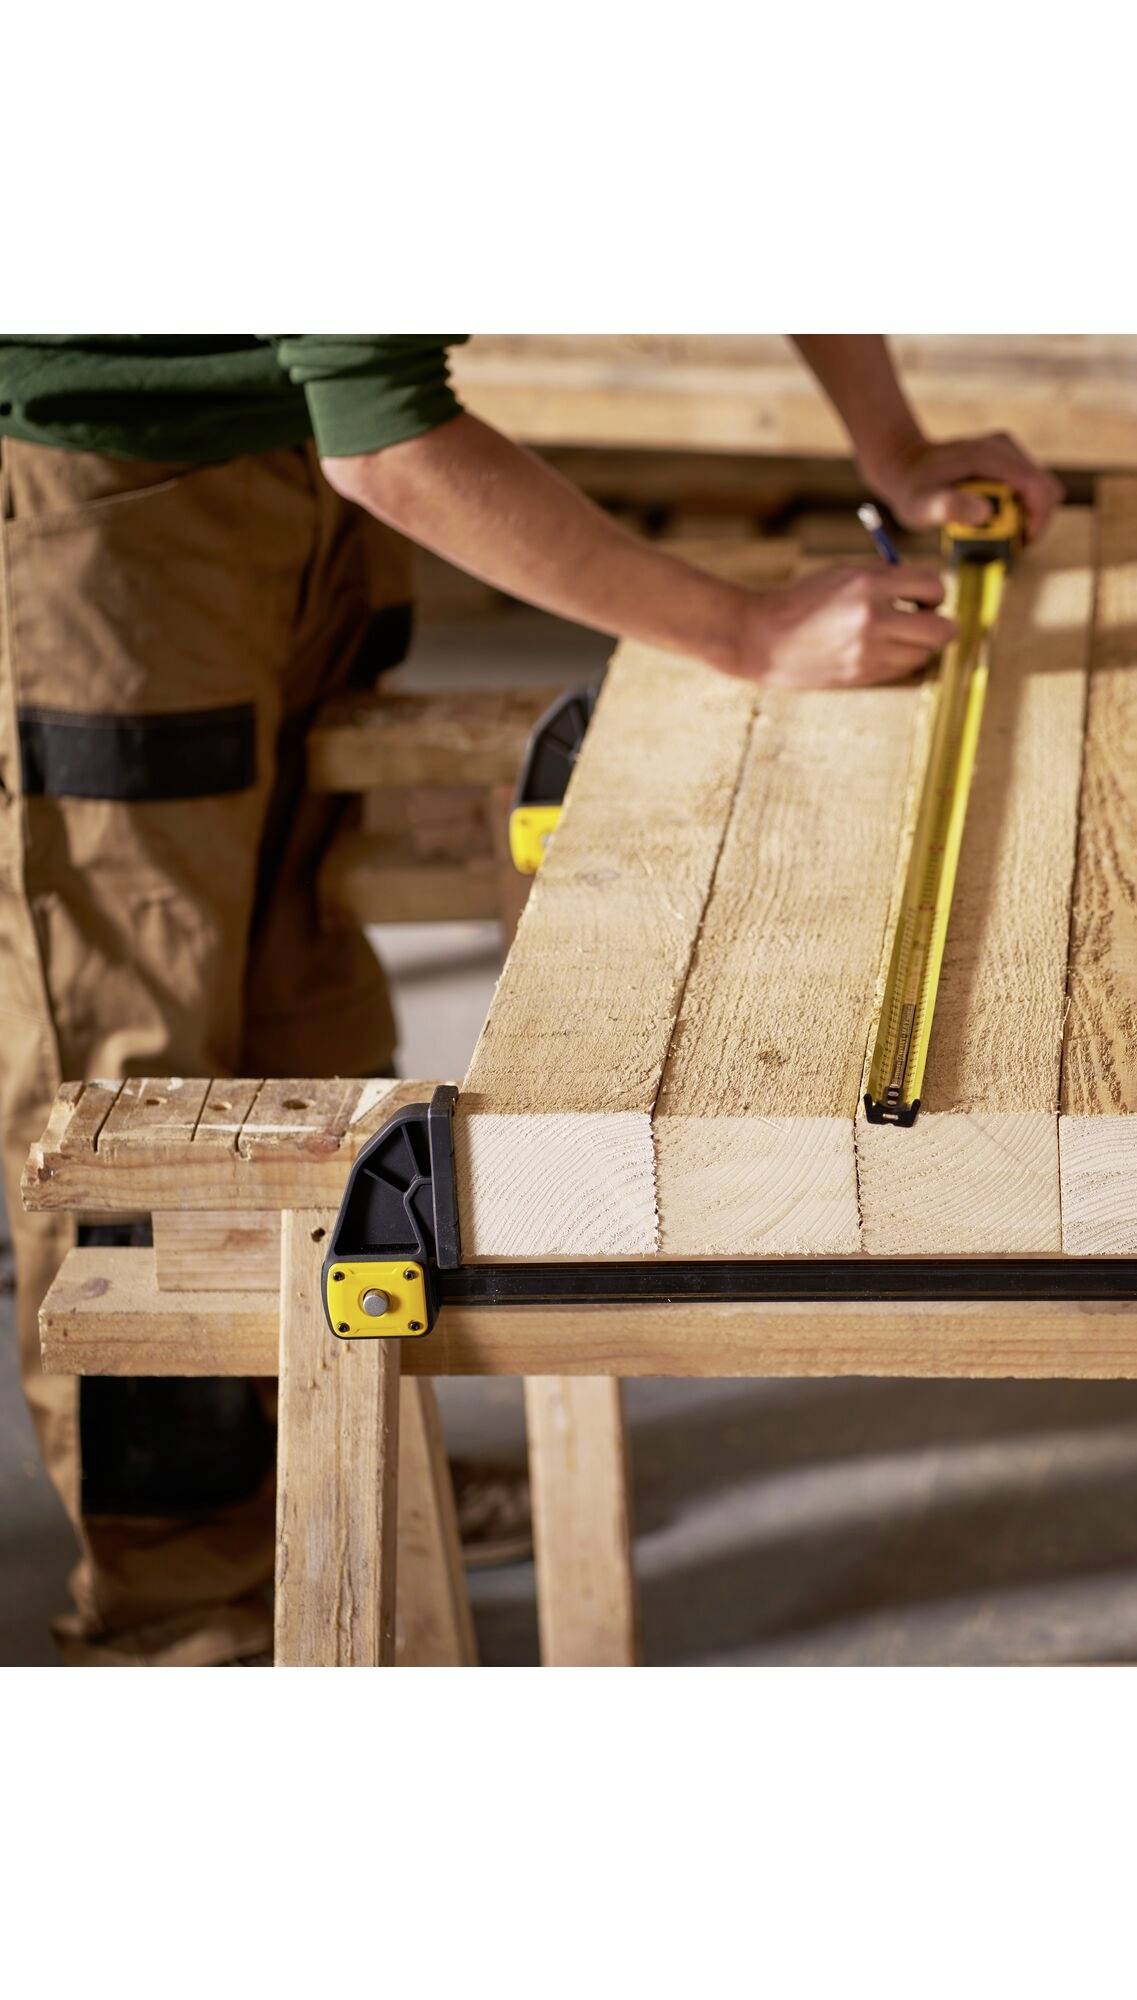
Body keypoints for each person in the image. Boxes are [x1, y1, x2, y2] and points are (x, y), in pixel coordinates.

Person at [0, 334, 1063, 1663]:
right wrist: (743, 631)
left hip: (284, 461)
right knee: (145, 1083)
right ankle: (173, 1604)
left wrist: (892, 442)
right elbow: (388, 444)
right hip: (104, 489)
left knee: (309, 1033)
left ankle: (326, 1478)